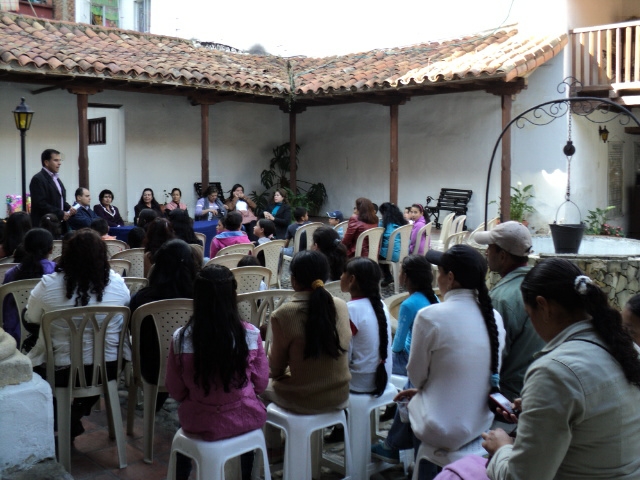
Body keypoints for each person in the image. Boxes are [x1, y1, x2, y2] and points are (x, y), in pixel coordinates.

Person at [482, 258, 640, 479]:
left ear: (543, 306)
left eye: (529, 314)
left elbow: (522, 476)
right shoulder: (629, 349)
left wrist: (502, 448)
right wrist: (536, 412)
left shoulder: (554, 371)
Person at [404, 245, 505, 479]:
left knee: (408, 402)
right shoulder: (494, 317)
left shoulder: (430, 316)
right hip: (481, 422)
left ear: (450, 278)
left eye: (439, 272)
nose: (436, 278)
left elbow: (417, 378)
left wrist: (424, 391)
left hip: (441, 429)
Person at [23, 229, 130, 438]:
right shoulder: (117, 284)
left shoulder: (48, 285)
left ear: (66, 254)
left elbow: (31, 318)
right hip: (107, 368)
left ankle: (64, 417)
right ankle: (74, 415)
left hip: (62, 370)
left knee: (34, 346)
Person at [166, 265, 269, 480]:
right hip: (244, 416)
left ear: (197, 297)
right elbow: (261, 384)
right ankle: (247, 475)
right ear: (233, 296)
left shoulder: (181, 339)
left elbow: (176, 390)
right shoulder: (250, 335)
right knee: (247, 439)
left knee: (182, 439)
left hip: (198, 420)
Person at [262, 250, 351, 414]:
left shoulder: (284, 314)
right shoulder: (340, 305)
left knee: (256, 387)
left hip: (306, 399)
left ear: (293, 281)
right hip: (341, 393)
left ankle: (272, 432)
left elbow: (275, 370)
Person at [475, 221, 544, 403]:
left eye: (490, 247)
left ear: (503, 256)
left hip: (508, 398)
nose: (486, 252)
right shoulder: (539, 284)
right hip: (535, 389)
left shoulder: (502, 299)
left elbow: (492, 358)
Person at [130, 239, 198, 411]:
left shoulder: (143, 298)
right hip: (193, 367)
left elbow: (132, 330)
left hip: (151, 369)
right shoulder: (201, 297)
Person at [340, 257, 392, 394]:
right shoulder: (381, 305)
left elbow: (344, 354)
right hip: (384, 376)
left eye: (343, 273)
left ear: (351, 279)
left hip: (359, 382)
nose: (340, 277)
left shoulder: (351, 310)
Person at [2, 228, 55, 347]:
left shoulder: (11, 274)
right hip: (50, 334)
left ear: (25, 248)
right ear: (51, 249)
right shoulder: (56, 272)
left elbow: (5, 307)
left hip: (14, 335)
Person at [29, 149, 76, 230]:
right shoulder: (38, 179)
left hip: (59, 224)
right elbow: (40, 204)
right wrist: (60, 213)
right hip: (45, 226)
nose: (59, 163)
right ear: (46, 162)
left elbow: (59, 200)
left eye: (60, 160)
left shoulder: (56, 178)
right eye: (56, 160)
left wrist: (69, 208)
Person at [378, 202, 408, 286]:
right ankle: (388, 276)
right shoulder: (402, 222)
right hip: (403, 252)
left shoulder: (385, 224)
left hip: (392, 254)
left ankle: (387, 276)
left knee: (376, 255)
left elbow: (386, 241)